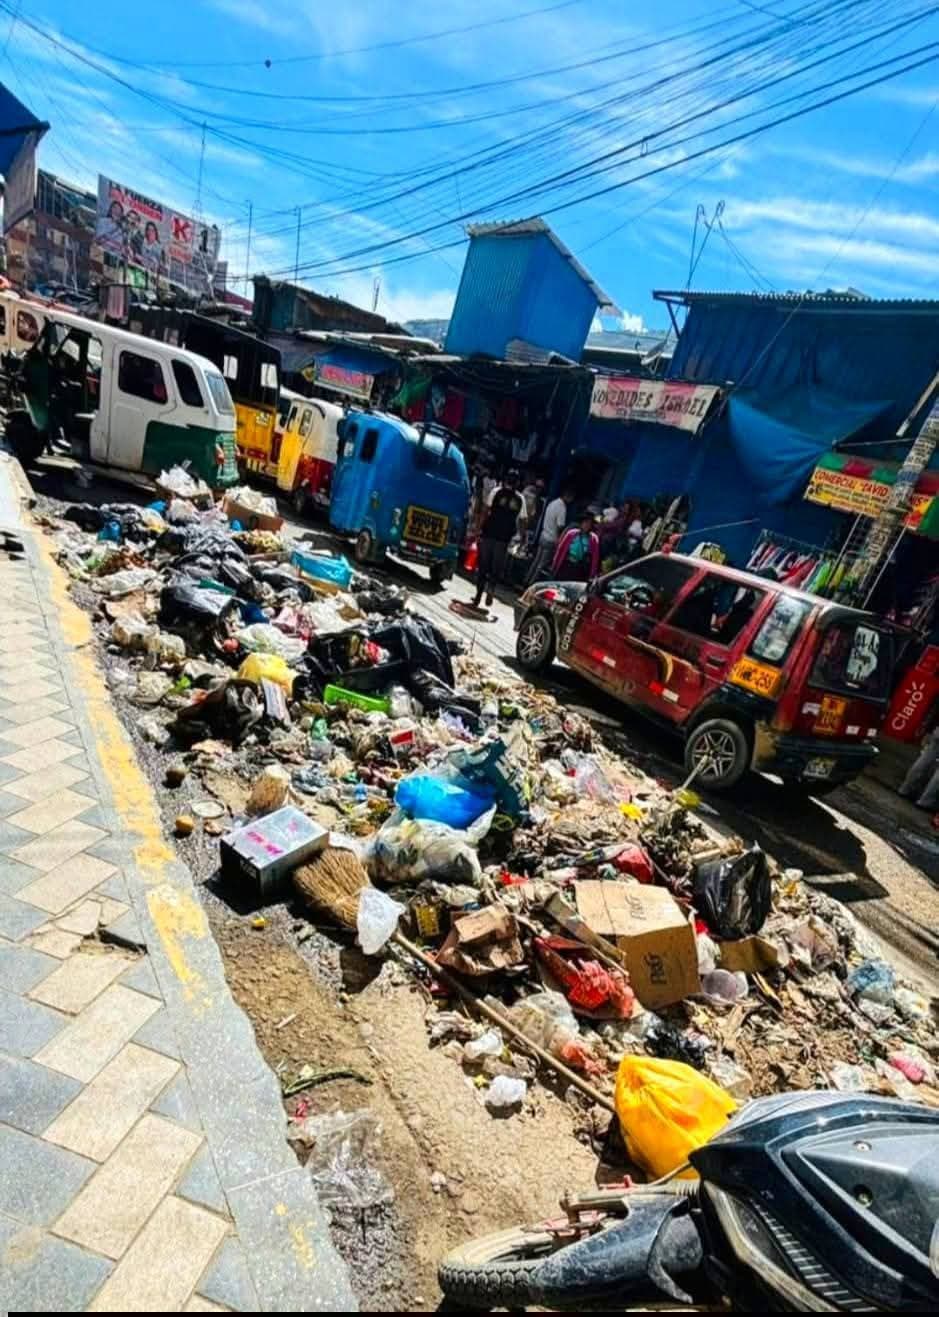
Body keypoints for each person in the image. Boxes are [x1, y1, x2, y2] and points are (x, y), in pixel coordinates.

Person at [473, 470, 526, 608]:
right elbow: (523, 521)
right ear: (518, 483)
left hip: (489, 533)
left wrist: (478, 528)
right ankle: (491, 589)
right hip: (504, 539)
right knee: (496, 568)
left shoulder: (496, 492)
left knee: (483, 566)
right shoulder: (520, 499)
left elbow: (485, 511)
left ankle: (478, 596)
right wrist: (523, 538)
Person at [526, 485, 572, 584]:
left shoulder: (553, 503)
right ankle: (530, 584)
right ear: (568, 496)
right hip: (551, 539)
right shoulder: (562, 508)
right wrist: (560, 540)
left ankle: (526, 580)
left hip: (543, 535)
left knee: (536, 561)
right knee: (541, 565)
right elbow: (560, 526)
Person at [552, 513, 600, 583]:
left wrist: (592, 575)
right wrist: (554, 565)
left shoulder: (593, 539)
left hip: (580, 569)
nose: (587, 525)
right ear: (581, 523)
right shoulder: (571, 533)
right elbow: (560, 550)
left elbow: (595, 558)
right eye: (585, 522)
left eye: (589, 523)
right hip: (566, 565)